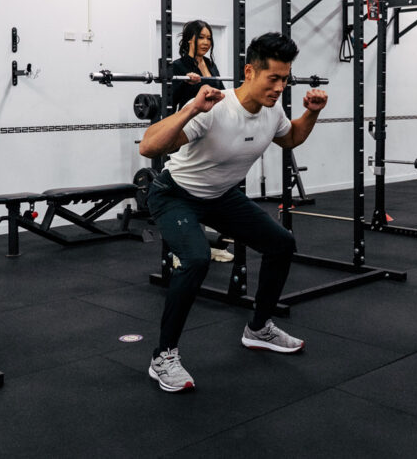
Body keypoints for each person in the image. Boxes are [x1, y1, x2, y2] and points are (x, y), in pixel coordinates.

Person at [139, 32, 327, 392]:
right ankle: (163, 356)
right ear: (250, 72)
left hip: (220, 195)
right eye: (273, 78)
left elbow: (290, 138)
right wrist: (191, 108)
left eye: (285, 79)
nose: (280, 87)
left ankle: (258, 329)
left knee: (281, 243)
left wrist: (312, 112)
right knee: (196, 259)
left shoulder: (273, 110)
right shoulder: (215, 109)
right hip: (174, 194)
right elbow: (148, 147)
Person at [169, 21, 234, 262]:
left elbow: (224, 94)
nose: (206, 42)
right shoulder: (178, 66)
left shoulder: (211, 65)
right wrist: (184, 82)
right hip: (189, 133)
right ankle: (181, 250)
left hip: (213, 133)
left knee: (210, 190)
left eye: (209, 38)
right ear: (189, 39)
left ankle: (209, 245)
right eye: (202, 37)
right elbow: (170, 101)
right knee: (188, 193)